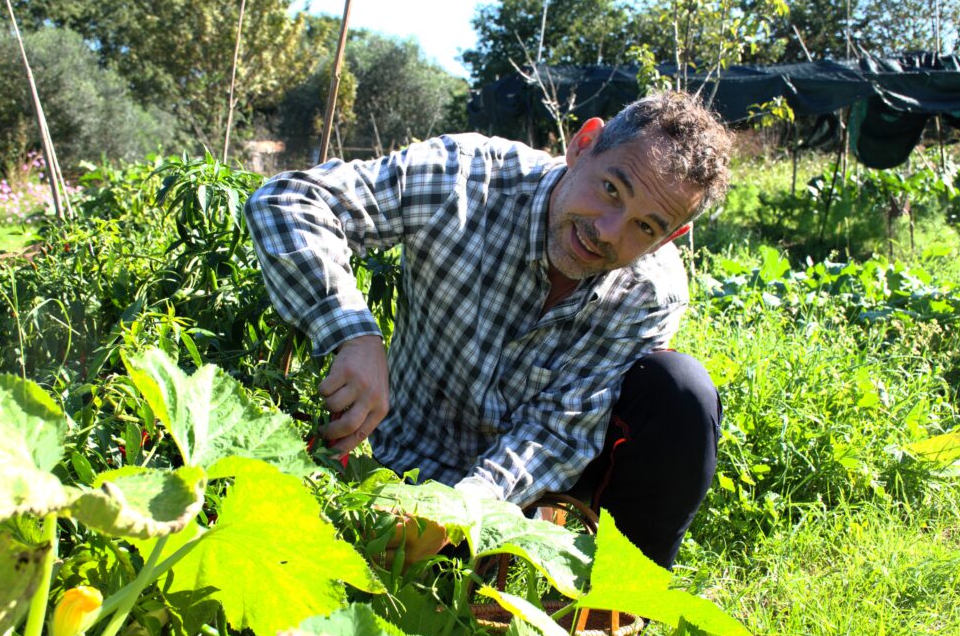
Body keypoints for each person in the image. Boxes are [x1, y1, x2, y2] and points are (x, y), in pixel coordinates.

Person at [245, 91, 732, 569]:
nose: (608, 231)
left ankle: (613, 612)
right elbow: (290, 201)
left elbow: (555, 432)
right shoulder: (465, 176)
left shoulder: (651, 291)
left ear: (672, 236)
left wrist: (460, 511)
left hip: (510, 504)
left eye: (645, 227)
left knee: (681, 392)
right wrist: (352, 332)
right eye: (610, 189)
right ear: (583, 145)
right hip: (400, 460)